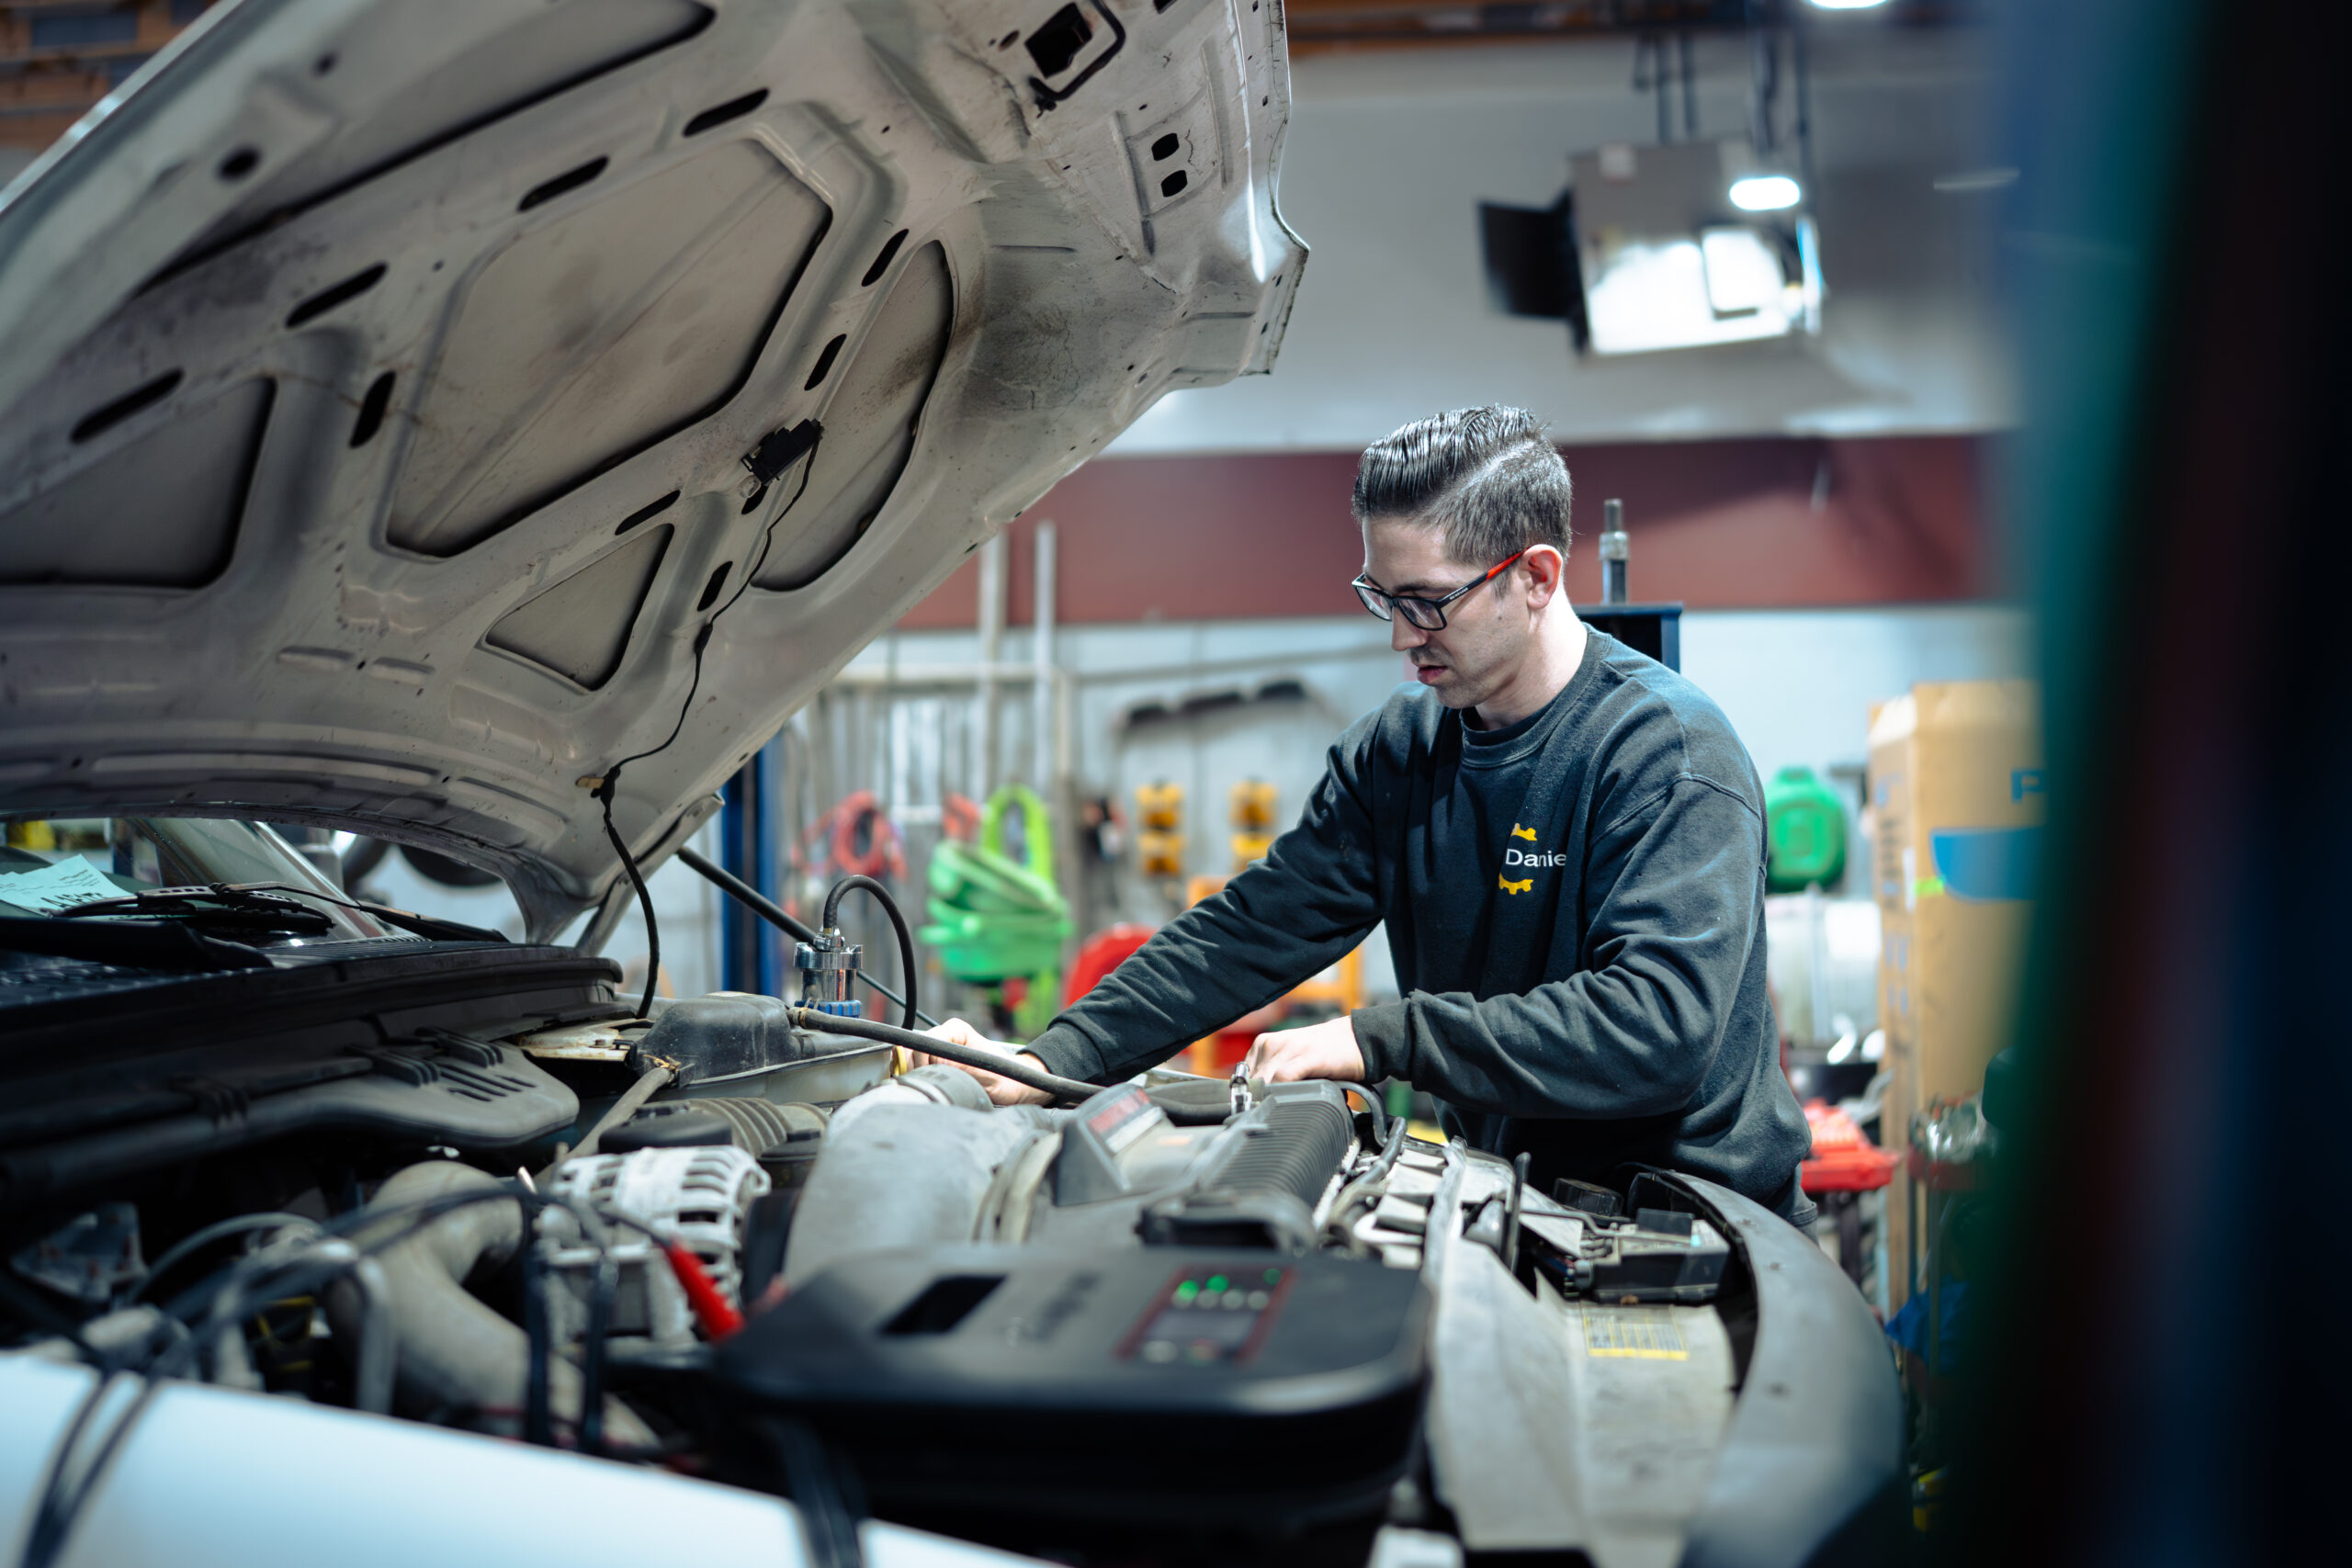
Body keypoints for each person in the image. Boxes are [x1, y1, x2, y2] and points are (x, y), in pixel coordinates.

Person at [918, 406, 1814, 1224]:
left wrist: (1377, 1037)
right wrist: (1047, 1061)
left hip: (1704, 1234)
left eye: (1428, 602)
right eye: (1382, 598)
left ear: (1536, 576)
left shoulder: (1665, 755)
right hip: (1523, 1212)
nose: (1400, 635)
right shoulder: (1402, 753)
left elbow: (1657, 1029)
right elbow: (1247, 932)